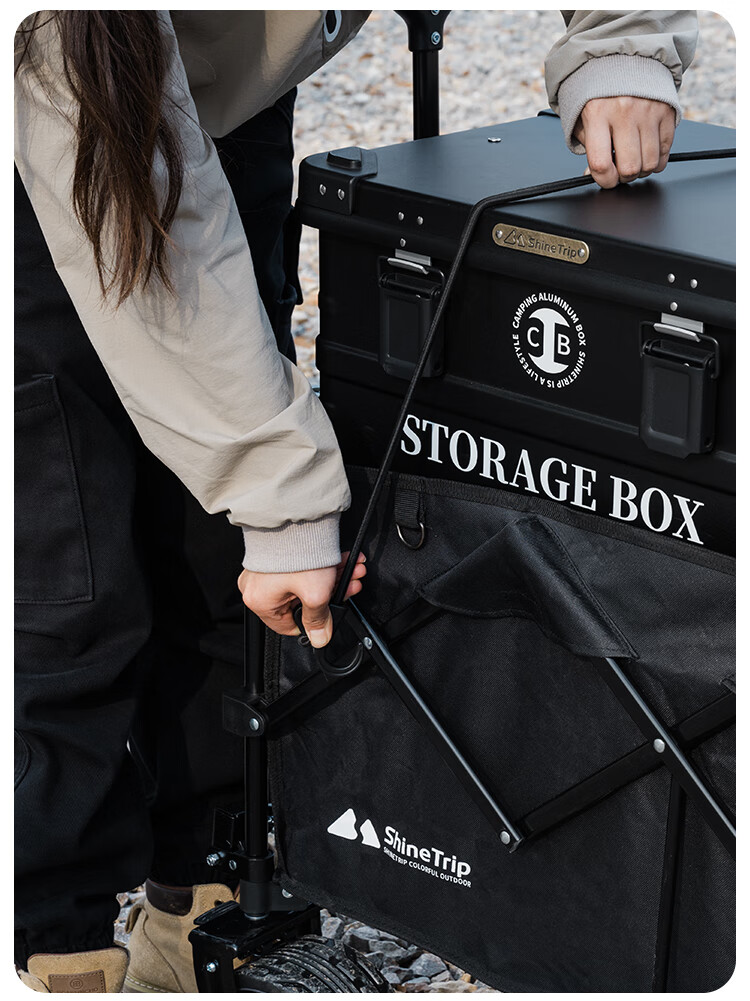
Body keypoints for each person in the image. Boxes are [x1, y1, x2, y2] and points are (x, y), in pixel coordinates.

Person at [14, 10, 698, 993]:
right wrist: (282, 500)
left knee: (213, 559)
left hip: (221, 92)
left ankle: (206, 885)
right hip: (56, 111)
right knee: (64, 572)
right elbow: (125, 181)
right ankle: (52, 937)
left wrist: (619, 43)